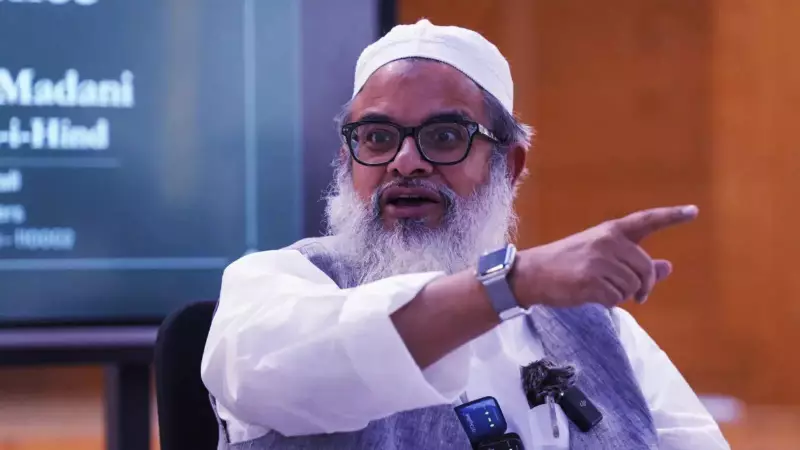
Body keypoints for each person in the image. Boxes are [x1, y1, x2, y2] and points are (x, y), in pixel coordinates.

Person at [201, 19, 730, 450]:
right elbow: (287, 371)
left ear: (510, 165)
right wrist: (510, 283)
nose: (405, 162)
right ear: (347, 159)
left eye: (445, 136)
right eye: (378, 137)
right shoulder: (276, 285)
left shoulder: (596, 326)